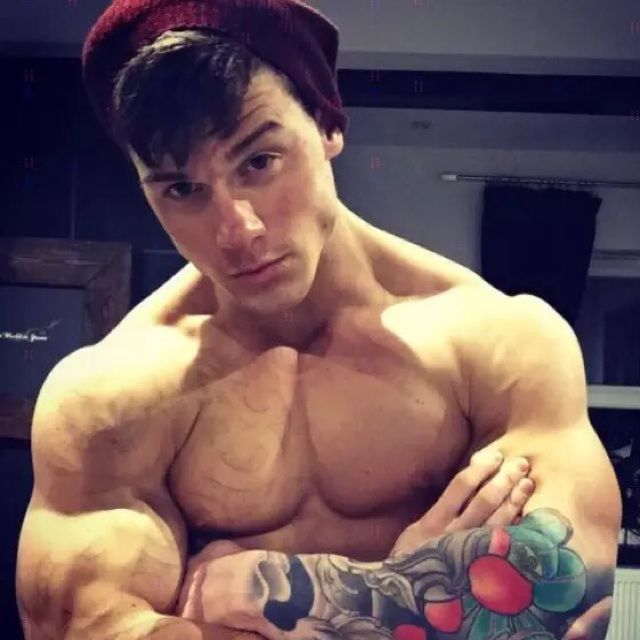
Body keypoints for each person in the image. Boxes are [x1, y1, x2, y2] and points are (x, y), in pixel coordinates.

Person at [16, 2, 621, 639]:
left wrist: (263, 590)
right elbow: (80, 630)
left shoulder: (499, 342)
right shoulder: (108, 397)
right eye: (182, 189)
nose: (237, 231)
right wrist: (408, 585)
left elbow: (565, 607)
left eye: (259, 161)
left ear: (328, 124)